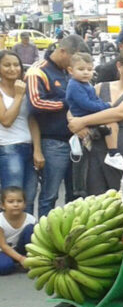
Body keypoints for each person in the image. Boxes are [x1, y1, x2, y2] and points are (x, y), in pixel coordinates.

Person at [68, 49, 123, 194]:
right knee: (96, 202)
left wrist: (81, 121)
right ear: (119, 66)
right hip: (97, 151)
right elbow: (74, 107)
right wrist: (74, 123)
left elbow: (120, 113)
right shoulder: (101, 87)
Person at [27, 35, 88, 216]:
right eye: (74, 58)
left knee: (76, 193)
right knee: (50, 195)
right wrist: (68, 101)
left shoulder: (70, 71)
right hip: (52, 143)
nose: (76, 63)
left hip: (76, 141)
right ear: (62, 52)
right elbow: (35, 103)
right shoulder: (37, 71)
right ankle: (43, 235)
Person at [64, 52, 123, 171]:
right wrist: (105, 106)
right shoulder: (74, 85)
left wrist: (102, 105)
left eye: (89, 69)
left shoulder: (86, 84)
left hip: (88, 115)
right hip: (84, 115)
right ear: (71, 70)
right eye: (81, 69)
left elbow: (94, 99)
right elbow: (86, 103)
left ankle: (105, 143)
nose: (86, 72)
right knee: (112, 123)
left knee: (109, 124)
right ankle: (113, 153)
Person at [0, 51, 39, 213]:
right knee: (12, 200)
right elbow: (6, 120)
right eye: (7, 65)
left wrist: (38, 150)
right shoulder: (9, 92)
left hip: (28, 148)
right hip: (9, 149)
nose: (12, 69)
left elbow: (32, 120)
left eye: (16, 65)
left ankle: (27, 237)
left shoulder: (24, 87)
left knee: (28, 198)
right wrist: (18, 96)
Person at [0, 186, 35, 275]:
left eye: (19, 201)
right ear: (2, 205)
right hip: (3, 251)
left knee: (31, 228)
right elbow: (3, 246)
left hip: (21, 248)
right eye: (10, 202)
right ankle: (18, 263)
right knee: (4, 267)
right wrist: (21, 259)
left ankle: (29, 259)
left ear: (25, 204)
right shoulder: (1, 221)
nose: (15, 204)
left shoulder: (31, 219)